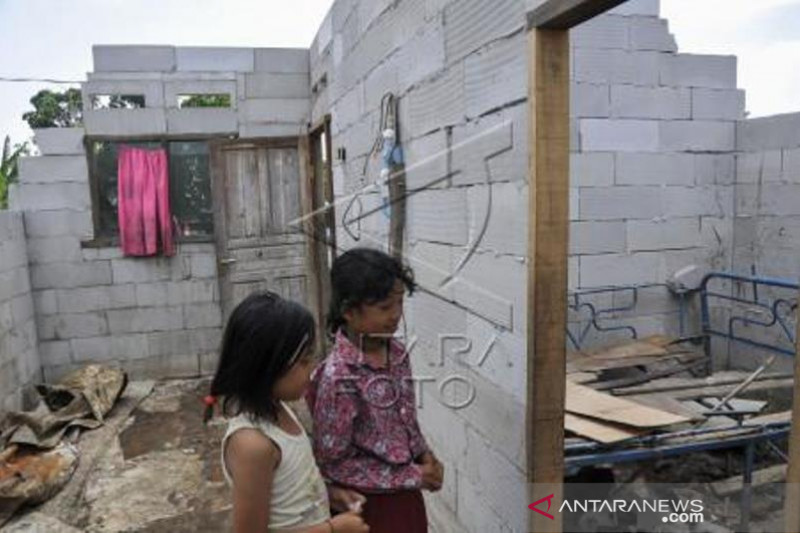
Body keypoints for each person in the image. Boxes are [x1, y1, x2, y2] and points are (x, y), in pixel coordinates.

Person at [205, 291, 369, 533]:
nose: (312, 370)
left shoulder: (280, 410)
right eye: (303, 361)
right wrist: (333, 529)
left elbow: (288, 491)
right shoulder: (252, 444)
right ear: (266, 365)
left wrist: (331, 495)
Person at [307, 248, 444, 533]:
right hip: (368, 509)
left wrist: (424, 455)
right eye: (384, 307)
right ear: (348, 311)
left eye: (399, 303)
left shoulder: (397, 353)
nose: (395, 315)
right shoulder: (339, 378)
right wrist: (413, 475)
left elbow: (406, 422)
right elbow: (333, 464)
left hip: (406, 499)